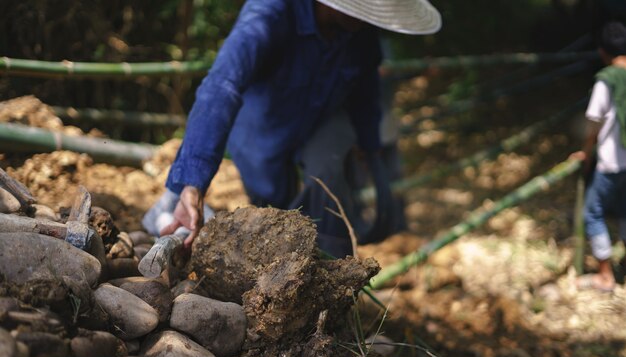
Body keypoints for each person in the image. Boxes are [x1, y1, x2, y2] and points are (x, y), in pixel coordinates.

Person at [145, 0, 441, 257]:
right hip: (261, 128)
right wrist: (193, 185)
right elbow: (222, 85)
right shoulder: (270, 15)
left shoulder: (360, 33)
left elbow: (366, 88)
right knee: (274, 207)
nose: (368, 19)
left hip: (322, 119)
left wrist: (369, 143)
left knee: (328, 181)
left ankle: (334, 269)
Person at [570, 20, 626, 292]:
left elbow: (594, 122)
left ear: (603, 52)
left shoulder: (607, 80)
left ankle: (605, 275)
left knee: (592, 212)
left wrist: (586, 152)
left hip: (612, 162)